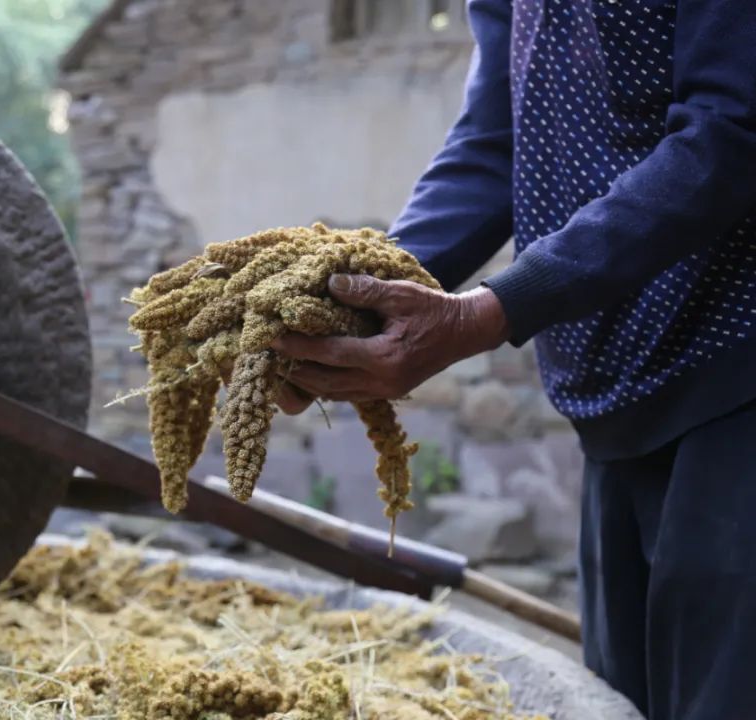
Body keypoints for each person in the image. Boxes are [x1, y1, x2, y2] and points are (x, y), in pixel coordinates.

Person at [269, 1, 756, 719]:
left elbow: (733, 130)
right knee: (622, 705)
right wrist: (359, 297)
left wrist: (493, 311)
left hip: (732, 379)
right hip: (611, 401)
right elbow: (497, 144)